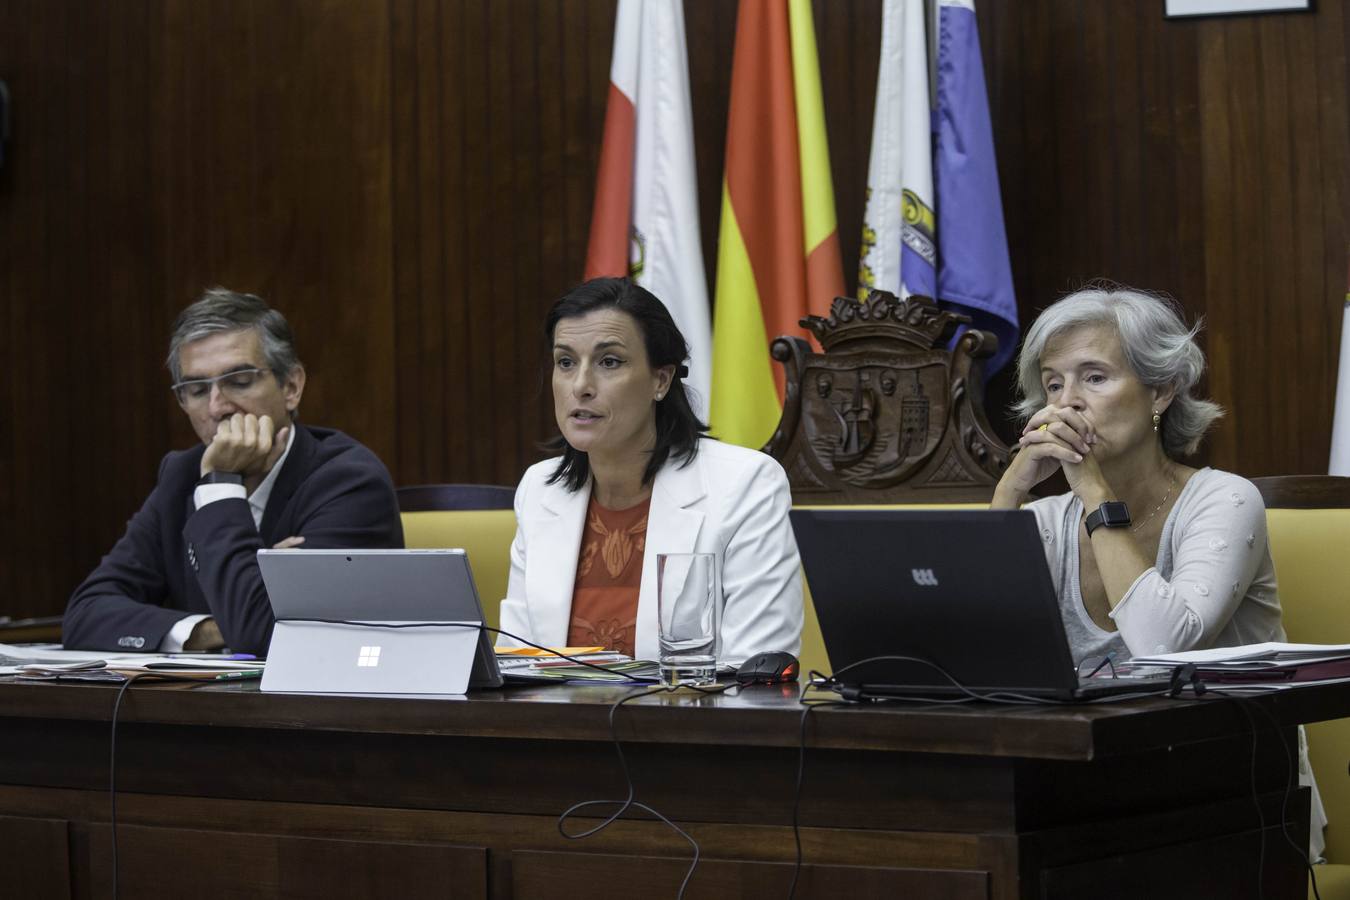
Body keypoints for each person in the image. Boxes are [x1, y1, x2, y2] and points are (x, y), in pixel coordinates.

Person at [991, 283, 1324, 857]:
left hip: (1233, 804)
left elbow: (1162, 644)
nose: (1066, 403)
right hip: (1082, 800)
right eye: (1053, 383)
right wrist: (1010, 488)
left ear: (1162, 390)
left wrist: (1093, 489)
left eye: (1094, 377)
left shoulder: (1224, 500)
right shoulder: (1042, 519)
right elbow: (974, 651)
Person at [63, 288, 403, 655]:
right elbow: (85, 614)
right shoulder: (180, 477)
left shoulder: (349, 481)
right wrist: (208, 630)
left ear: (291, 386)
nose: (217, 407)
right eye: (196, 389)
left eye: (239, 381)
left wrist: (220, 486)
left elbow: (261, 636)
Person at [498, 277, 802, 666]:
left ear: (661, 380)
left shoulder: (746, 485)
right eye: (566, 362)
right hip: (555, 724)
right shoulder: (540, 490)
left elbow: (757, 669)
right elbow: (517, 662)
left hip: (689, 724)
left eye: (609, 362)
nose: (581, 386)